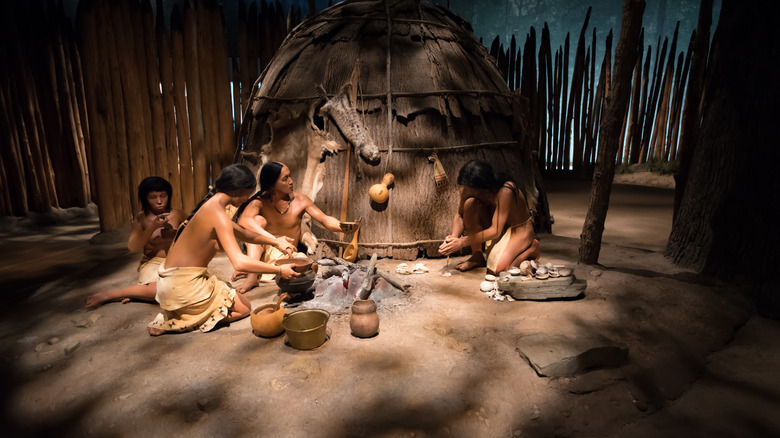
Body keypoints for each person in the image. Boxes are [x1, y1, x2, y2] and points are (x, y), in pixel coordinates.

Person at [146, 164, 299, 336]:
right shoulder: (218, 214)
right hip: (183, 286)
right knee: (243, 308)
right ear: (236, 193)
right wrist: (279, 269)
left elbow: (243, 233)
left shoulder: (211, 205)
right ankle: (181, 320)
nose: (246, 199)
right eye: (247, 194)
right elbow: (239, 263)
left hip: (170, 283)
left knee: (234, 299)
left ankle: (183, 311)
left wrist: (275, 241)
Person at [232, 161, 360, 293]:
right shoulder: (259, 201)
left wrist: (341, 227)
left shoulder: (300, 200)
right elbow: (244, 221)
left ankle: (256, 269)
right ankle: (252, 276)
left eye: (290, 176)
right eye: (285, 179)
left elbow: (324, 219)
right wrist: (275, 240)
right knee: (258, 221)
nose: (291, 181)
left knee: (311, 267)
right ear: (272, 185)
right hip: (263, 250)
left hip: (288, 254)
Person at [85, 176, 185, 309]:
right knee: (161, 290)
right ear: (145, 199)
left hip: (176, 262)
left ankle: (139, 293)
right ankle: (111, 295)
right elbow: (133, 247)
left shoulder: (177, 214)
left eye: (163, 195)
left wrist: (175, 233)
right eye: (153, 197)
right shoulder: (141, 218)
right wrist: (152, 227)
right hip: (153, 263)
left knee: (185, 290)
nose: (160, 201)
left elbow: (193, 231)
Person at [438, 159, 540, 274]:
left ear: (482, 186)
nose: (467, 191)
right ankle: (477, 256)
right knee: (469, 204)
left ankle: (532, 248)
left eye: (472, 189)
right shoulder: (466, 187)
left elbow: (495, 231)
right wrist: (453, 238)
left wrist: (462, 242)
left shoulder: (505, 190)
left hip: (518, 230)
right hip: (495, 225)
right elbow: (460, 215)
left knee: (498, 270)